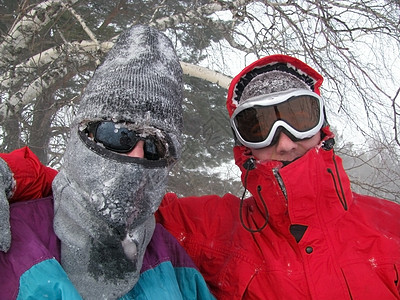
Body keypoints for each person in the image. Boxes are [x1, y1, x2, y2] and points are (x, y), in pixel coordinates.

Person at [156, 54, 400, 299]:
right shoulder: (208, 230)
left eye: (299, 119)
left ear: (322, 127)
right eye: (259, 127)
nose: (284, 143)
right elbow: (131, 216)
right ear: (244, 146)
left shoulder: (392, 227)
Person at [0, 25, 215, 300]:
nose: (137, 157)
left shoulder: (173, 259)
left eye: (154, 147)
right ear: (83, 133)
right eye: (117, 134)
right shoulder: (14, 236)